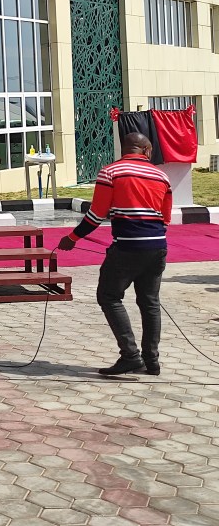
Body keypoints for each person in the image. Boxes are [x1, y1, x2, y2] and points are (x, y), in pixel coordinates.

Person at [57, 132, 172, 376]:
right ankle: (152, 361)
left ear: (125, 148)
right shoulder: (162, 176)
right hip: (157, 247)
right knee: (150, 302)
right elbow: (165, 218)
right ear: (147, 150)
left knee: (109, 296)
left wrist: (72, 238)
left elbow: (96, 215)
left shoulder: (111, 172)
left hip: (127, 248)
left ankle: (130, 356)